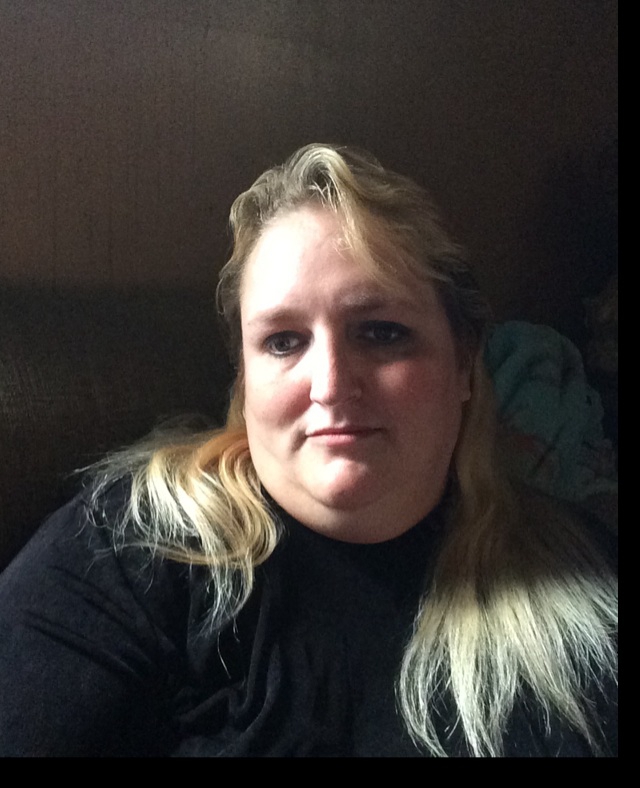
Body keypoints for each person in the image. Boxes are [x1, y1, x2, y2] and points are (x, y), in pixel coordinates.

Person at [0, 144, 617, 757]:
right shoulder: (127, 549)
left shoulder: (584, 573)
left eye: (381, 332)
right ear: (244, 379)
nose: (330, 385)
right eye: (283, 341)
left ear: (463, 364)